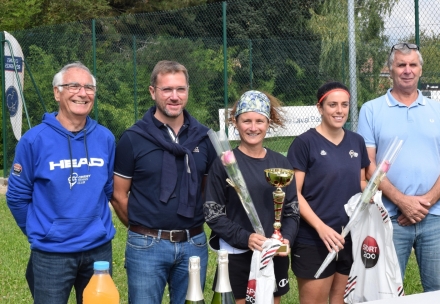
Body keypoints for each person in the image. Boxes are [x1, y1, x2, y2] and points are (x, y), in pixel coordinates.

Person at [6, 62, 115, 304]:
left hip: (98, 250)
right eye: (73, 86)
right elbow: (16, 197)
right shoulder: (34, 140)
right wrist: (43, 230)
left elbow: (107, 190)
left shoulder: (105, 138)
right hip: (52, 254)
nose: (82, 93)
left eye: (89, 87)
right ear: (57, 92)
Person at [357, 42, 440, 292]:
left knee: (439, 291)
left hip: (435, 216)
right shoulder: (371, 110)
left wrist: (424, 203)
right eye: (401, 65)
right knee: (384, 291)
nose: (407, 70)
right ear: (390, 70)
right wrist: (402, 200)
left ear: (420, 70)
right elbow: (368, 165)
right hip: (387, 217)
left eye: (412, 64)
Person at [110, 60, 216, 304]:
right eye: (167, 89)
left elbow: (206, 190)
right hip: (146, 246)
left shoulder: (205, 138)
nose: (174, 96)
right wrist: (145, 229)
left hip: (194, 244)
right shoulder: (133, 138)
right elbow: (118, 194)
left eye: (181, 89)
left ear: (188, 91)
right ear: (152, 92)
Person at [204, 90, 300, 304]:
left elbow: (292, 210)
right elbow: (213, 214)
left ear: (268, 123)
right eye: (246, 120)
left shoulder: (281, 164)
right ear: (235, 123)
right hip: (237, 255)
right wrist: (244, 238)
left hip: (273, 254)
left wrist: (286, 239)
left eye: (259, 121)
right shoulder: (224, 163)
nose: (253, 127)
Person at [287, 81, 369, 304]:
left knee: (340, 300)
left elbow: (360, 181)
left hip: (349, 237)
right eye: (333, 105)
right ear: (320, 108)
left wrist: (373, 191)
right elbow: (294, 193)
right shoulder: (304, 143)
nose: (339, 110)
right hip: (314, 238)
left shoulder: (356, 142)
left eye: (344, 104)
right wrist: (321, 228)